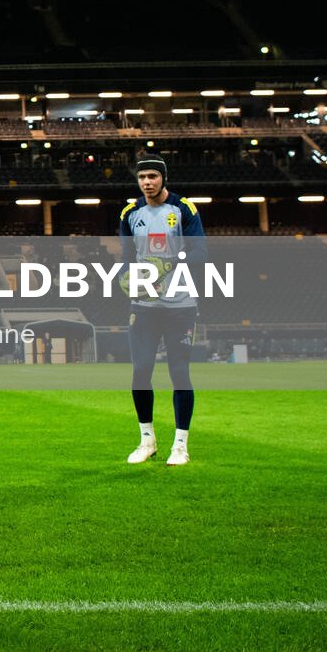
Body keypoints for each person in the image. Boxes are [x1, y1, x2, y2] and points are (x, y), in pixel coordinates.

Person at [115, 157, 203, 466]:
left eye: (153, 176)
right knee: (141, 371)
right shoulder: (130, 213)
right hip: (144, 305)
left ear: (163, 178)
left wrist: (167, 265)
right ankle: (147, 441)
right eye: (142, 177)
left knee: (179, 373)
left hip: (180, 304)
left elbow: (199, 252)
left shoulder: (184, 209)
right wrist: (125, 278)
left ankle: (180, 446)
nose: (147, 182)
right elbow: (126, 256)